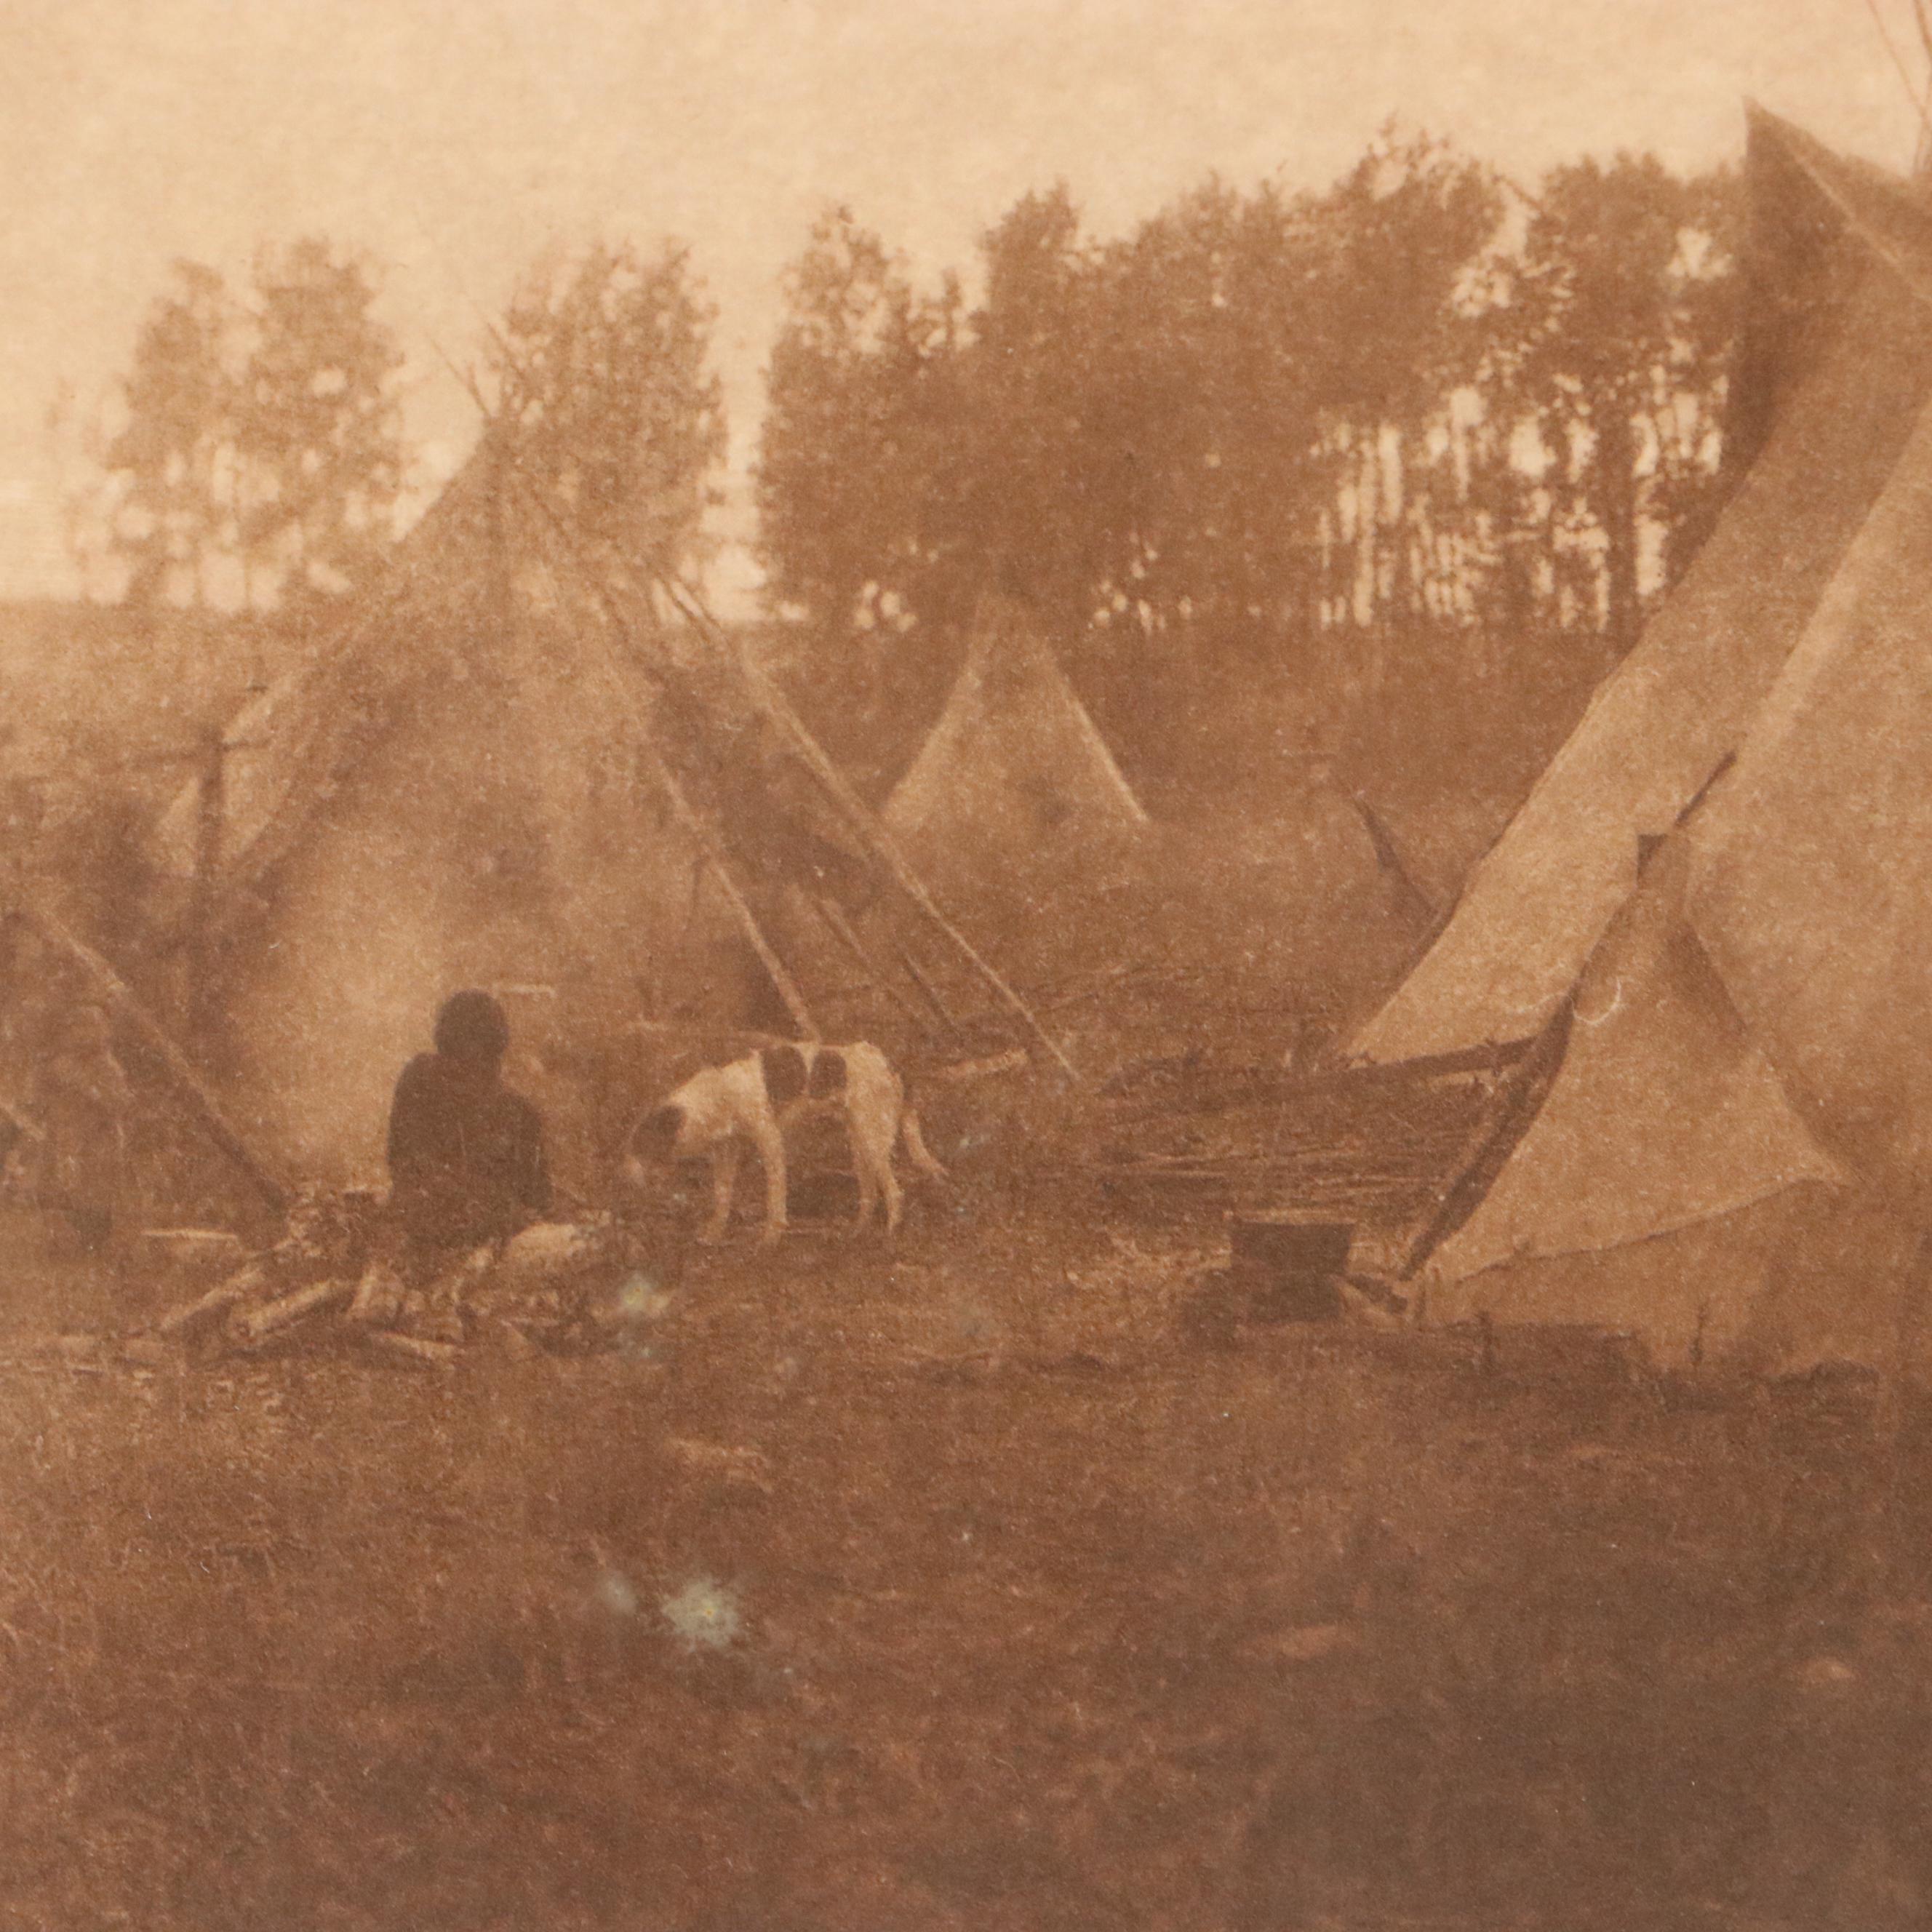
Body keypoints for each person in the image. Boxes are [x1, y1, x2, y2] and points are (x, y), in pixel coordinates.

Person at [385, 989, 551, 1253]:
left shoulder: (519, 1113)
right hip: (430, 1240)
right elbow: (411, 1171)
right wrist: (497, 1208)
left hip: (496, 1245)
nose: (474, 1073)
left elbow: (538, 1200)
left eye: (487, 1060)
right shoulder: (421, 1083)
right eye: (461, 1058)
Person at [29, 1000, 130, 1256]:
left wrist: (84, 1085)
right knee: (60, 1187)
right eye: (78, 1027)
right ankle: (63, 1239)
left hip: (97, 1138)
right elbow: (40, 1095)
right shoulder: (61, 1064)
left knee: (93, 1192)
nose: (83, 1033)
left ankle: (92, 1241)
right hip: (65, 1135)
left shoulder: (108, 1067)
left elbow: (118, 1101)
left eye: (92, 1027)